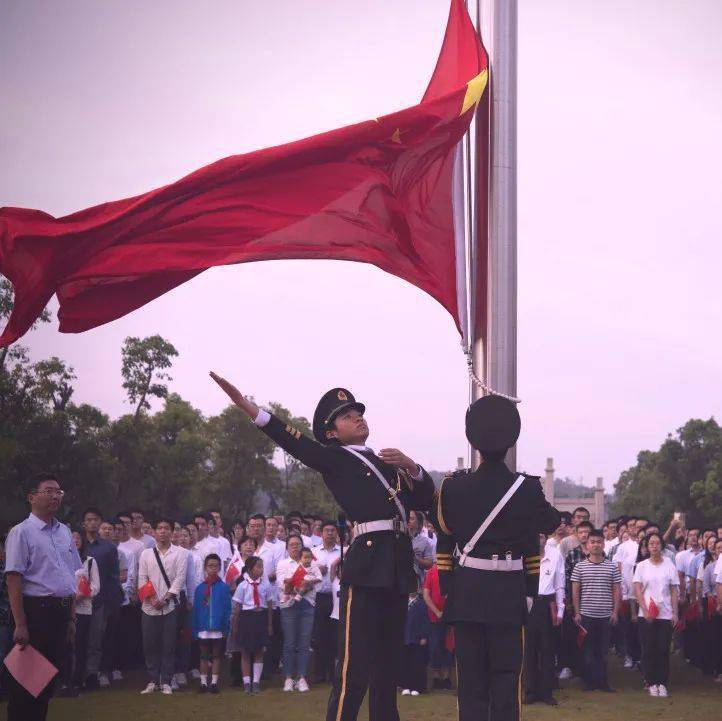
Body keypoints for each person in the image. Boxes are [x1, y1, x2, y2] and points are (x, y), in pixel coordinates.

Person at [210, 375, 435, 721]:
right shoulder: (335, 459)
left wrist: (412, 467)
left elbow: (424, 499)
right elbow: (291, 439)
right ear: (331, 433)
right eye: (347, 416)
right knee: (354, 665)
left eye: (358, 412)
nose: (358, 417)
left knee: (388, 666)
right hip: (366, 568)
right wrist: (247, 406)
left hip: (395, 568)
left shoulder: (388, 465)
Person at [431, 395, 560, 721]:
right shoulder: (525, 488)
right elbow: (551, 523)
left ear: (473, 442)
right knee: (506, 682)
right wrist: (530, 590)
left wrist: (448, 587)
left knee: (471, 685)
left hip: (467, 594)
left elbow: (445, 539)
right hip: (507, 593)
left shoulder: (453, 486)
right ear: (511, 441)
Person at [4, 473, 82, 721]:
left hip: (60, 612)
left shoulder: (64, 532)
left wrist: (71, 618)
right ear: (32, 498)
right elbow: (14, 578)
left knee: (47, 683)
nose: (55, 496)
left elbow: (70, 576)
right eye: (48, 491)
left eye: (58, 492)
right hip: (35, 612)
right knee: (26, 685)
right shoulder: (22, 532)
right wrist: (21, 623)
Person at [138, 517, 188, 696]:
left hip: (170, 606)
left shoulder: (181, 553)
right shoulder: (146, 554)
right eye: (159, 528)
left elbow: (180, 579)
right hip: (149, 606)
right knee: (149, 644)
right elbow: (142, 578)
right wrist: (152, 599)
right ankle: (153, 680)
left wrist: (166, 598)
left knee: (169, 644)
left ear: (172, 531)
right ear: (154, 531)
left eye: (167, 528)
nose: (162, 531)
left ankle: (166, 680)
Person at [571, 529, 621, 692]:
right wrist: (577, 613)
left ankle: (603, 683)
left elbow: (616, 590)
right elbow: (575, 591)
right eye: (592, 542)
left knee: (603, 651)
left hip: (606, 616)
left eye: (599, 541)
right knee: (588, 651)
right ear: (587, 544)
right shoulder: (580, 567)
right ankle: (590, 683)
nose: (596, 545)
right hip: (586, 616)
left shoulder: (612, 567)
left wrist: (615, 612)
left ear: (603, 544)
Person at [633, 531, 679, 697]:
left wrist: (675, 612)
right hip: (646, 614)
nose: (654, 546)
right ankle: (651, 682)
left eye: (657, 543)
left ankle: (662, 682)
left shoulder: (669, 564)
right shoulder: (642, 566)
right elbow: (637, 589)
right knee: (648, 649)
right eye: (650, 543)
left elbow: (674, 590)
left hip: (665, 614)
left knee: (663, 648)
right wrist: (644, 610)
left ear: (662, 545)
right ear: (647, 547)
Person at [81, 508, 122, 690]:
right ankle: (76, 675)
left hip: (100, 601)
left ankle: (92, 674)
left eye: (95, 519)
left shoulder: (109, 547)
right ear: (84, 523)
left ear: (100, 522)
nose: (92, 523)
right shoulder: (77, 545)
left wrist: (111, 601)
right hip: (78, 601)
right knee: (78, 639)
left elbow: (114, 576)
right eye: (88, 520)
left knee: (96, 640)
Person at [276, 535, 323, 692]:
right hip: (289, 605)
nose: (295, 547)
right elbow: (284, 585)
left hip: (307, 605)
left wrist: (303, 584)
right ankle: (289, 678)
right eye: (292, 545)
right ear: (287, 548)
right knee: (289, 642)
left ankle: (302, 677)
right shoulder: (283, 564)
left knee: (304, 642)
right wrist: (300, 586)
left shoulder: (312, 563)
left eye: (298, 544)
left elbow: (317, 580)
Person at [524, 533, 565, 706]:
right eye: (535, 535)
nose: (538, 539)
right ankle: (530, 691)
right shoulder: (523, 553)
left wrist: (561, 610)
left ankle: (547, 692)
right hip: (527, 604)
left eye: (541, 536)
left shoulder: (555, 554)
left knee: (547, 650)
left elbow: (559, 584)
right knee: (529, 651)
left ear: (546, 538)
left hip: (547, 605)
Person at [229, 555, 273, 694]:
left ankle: (256, 682)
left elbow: (270, 604)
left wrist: (270, 624)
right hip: (246, 618)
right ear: (249, 569)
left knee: (259, 650)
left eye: (262, 567)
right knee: (246, 651)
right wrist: (235, 626)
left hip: (260, 617)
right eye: (258, 567)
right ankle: (247, 682)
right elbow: (237, 607)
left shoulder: (265, 584)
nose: (261, 570)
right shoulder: (242, 585)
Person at [192, 553, 232, 694]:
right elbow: (196, 609)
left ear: (220, 567)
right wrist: (195, 628)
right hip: (203, 627)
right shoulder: (200, 589)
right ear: (205, 568)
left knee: (216, 655)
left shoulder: (224, 588)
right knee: (203, 655)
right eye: (210, 566)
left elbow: (228, 609)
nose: (213, 569)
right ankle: (203, 682)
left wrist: (226, 627)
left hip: (218, 627)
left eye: (216, 566)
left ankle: (214, 682)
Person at [70, 530, 100, 691]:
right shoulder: (61, 560)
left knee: (80, 645)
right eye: (71, 538)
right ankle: (64, 679)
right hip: (64, 609)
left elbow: (96, 586)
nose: (74, 540)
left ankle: (78, 680)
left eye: (77, 537)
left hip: (83, 609)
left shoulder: (89, 562)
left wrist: (84, 594)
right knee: (65, 645)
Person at [312, 520, 341, 683]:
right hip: (320, 597)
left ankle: (334, 672)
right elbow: (306, 572)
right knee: (320, 635)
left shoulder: (343, 551)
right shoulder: (314, 552)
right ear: (321, 533)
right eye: (326, 531)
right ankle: (319, 672)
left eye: (332, 531)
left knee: (335, 635)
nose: (329, 533)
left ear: (336, 533)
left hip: (337, 597)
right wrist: (317, 570)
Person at [422, 562, 453, 690]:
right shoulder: (431, 572)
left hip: (450, 617)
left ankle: (446, 678)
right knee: (435, 647)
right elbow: (426, 595)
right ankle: (435, 677)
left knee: (449, 648)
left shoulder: (452, 572)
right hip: (434, 618)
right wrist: (437, 612)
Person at [400, 587, 431, 696]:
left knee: (417, 663)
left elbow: (425, 621)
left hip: (417, 638)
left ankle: (417, 686)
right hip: (404, 637)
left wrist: (424, 636)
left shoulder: (421, 604)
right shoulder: (403, 602)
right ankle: (405, 686)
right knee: (405, 662)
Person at [409, 510, 435, 586]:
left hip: (417, 584)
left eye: (412, 519)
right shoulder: (398, 538)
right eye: (408, 518)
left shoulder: (425, 541)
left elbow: (429, 563)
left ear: (419, 523)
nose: (409, 521)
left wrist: (415, 557)